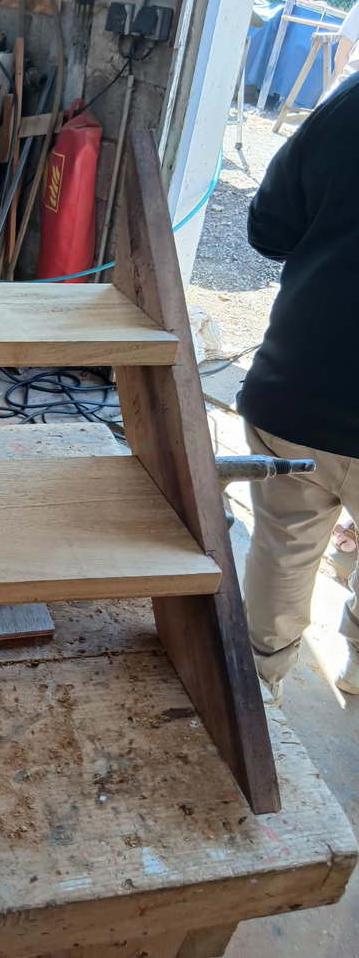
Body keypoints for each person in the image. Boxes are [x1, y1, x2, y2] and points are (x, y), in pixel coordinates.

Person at [237, 71, 359, 702]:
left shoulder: (350, 102)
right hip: (300, 392)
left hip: (299, 390)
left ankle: (260, 686)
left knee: (284, 548)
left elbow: (270, 231)